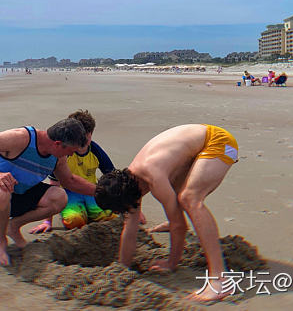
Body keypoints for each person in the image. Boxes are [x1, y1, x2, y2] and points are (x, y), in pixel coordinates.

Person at [94, 124, 238, 303]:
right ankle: (172, 219)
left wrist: (172, 263)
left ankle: (220, 279)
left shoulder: (152, 176)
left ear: (127, 199)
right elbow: (129, 230)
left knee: (190, 198)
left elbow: (181, 226)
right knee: (178, 198)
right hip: (194, 150)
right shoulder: (129, 181)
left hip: (219, 142)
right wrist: (123, 269)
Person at [0, 118, 96, 265]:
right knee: (3, 190)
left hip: (19, 193)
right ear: (58, 144)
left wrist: (100, 193)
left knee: (59, 197)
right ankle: (0, 243)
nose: (71, 155)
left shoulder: (58, 158)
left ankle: (12, 227)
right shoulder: (22, 138)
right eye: (71, 151)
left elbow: (69, 181)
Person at [29, 109, 117, 234]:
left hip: (91, 191)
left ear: (91, 133)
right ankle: (73, 212)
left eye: (85, 137)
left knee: (109, 217)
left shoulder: (95, 150)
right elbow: (54, 184)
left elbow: (112, 176)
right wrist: (47, 221)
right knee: (76, 222)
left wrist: (129, 208)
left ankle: (91, 212)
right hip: (70, 195)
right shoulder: (63, 153)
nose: (81, 142)